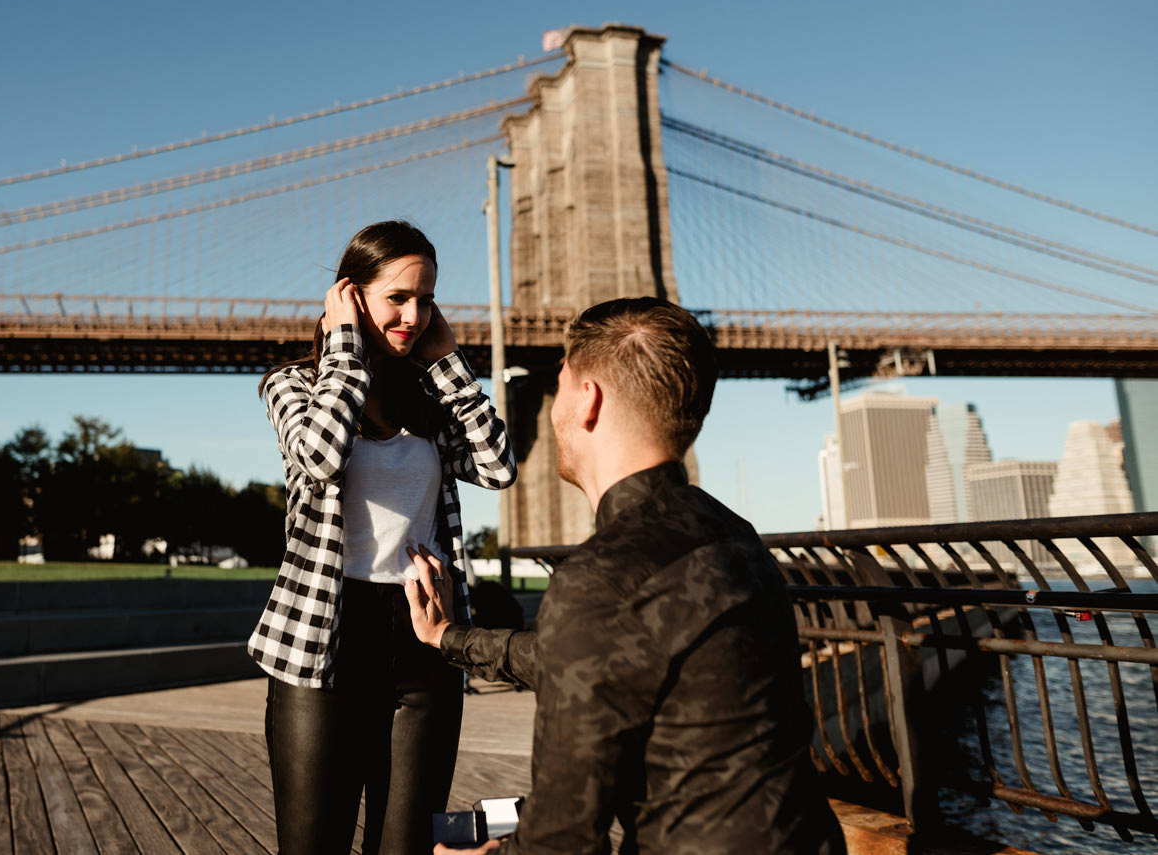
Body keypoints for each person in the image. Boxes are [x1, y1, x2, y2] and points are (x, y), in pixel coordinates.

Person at [404, 297, 845, 854]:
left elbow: (563, 841)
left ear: (588, 400)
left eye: (561, 382)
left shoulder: (601, 577)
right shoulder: (735, 533)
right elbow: (587, 658)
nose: (554, 403)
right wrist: (451, 638)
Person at [248, 220, 517, 855]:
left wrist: (449, 363)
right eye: (397, 297)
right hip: (324, 640)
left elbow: (499, 468)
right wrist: (344, 349)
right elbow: (317, 457)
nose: (415, 315)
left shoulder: (430, 396)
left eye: (426, 299)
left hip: (423, 636)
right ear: (351, 295)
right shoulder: (294, 385)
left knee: (407, 848)